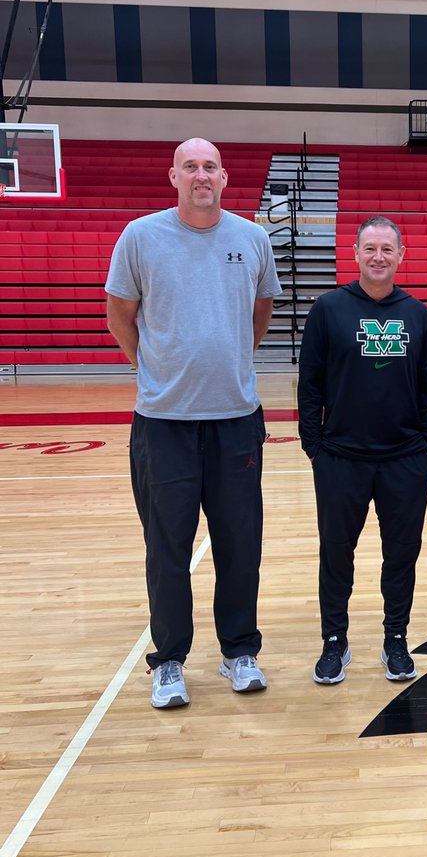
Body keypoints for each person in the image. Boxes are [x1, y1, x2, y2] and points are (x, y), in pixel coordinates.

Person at [105, 138, 281, 709]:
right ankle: (170, 661)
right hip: (164, 422)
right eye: (190, 167)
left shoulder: (252, 238)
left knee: (240, 544)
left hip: (236, 419)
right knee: (167, 548)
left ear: (224, 177)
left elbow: (261, 310)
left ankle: (240, 651)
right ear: (173, 176)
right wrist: (148, 366)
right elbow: (119, 312)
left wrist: (232, 357)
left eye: (210, 167)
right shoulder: (140, 236)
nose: (201, 175)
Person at [298, 217, 427, 685]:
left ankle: (395, 638)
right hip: (340, 458)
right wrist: (313, 444)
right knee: (336, 554)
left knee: (401, 555)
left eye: (387, 249)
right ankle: (334, 641)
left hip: (406, 459)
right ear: (355, 253)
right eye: (370, 248)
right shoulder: (328, 309)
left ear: (401, 256)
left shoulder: (418, 314)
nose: (378, 257)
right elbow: (310, 382)